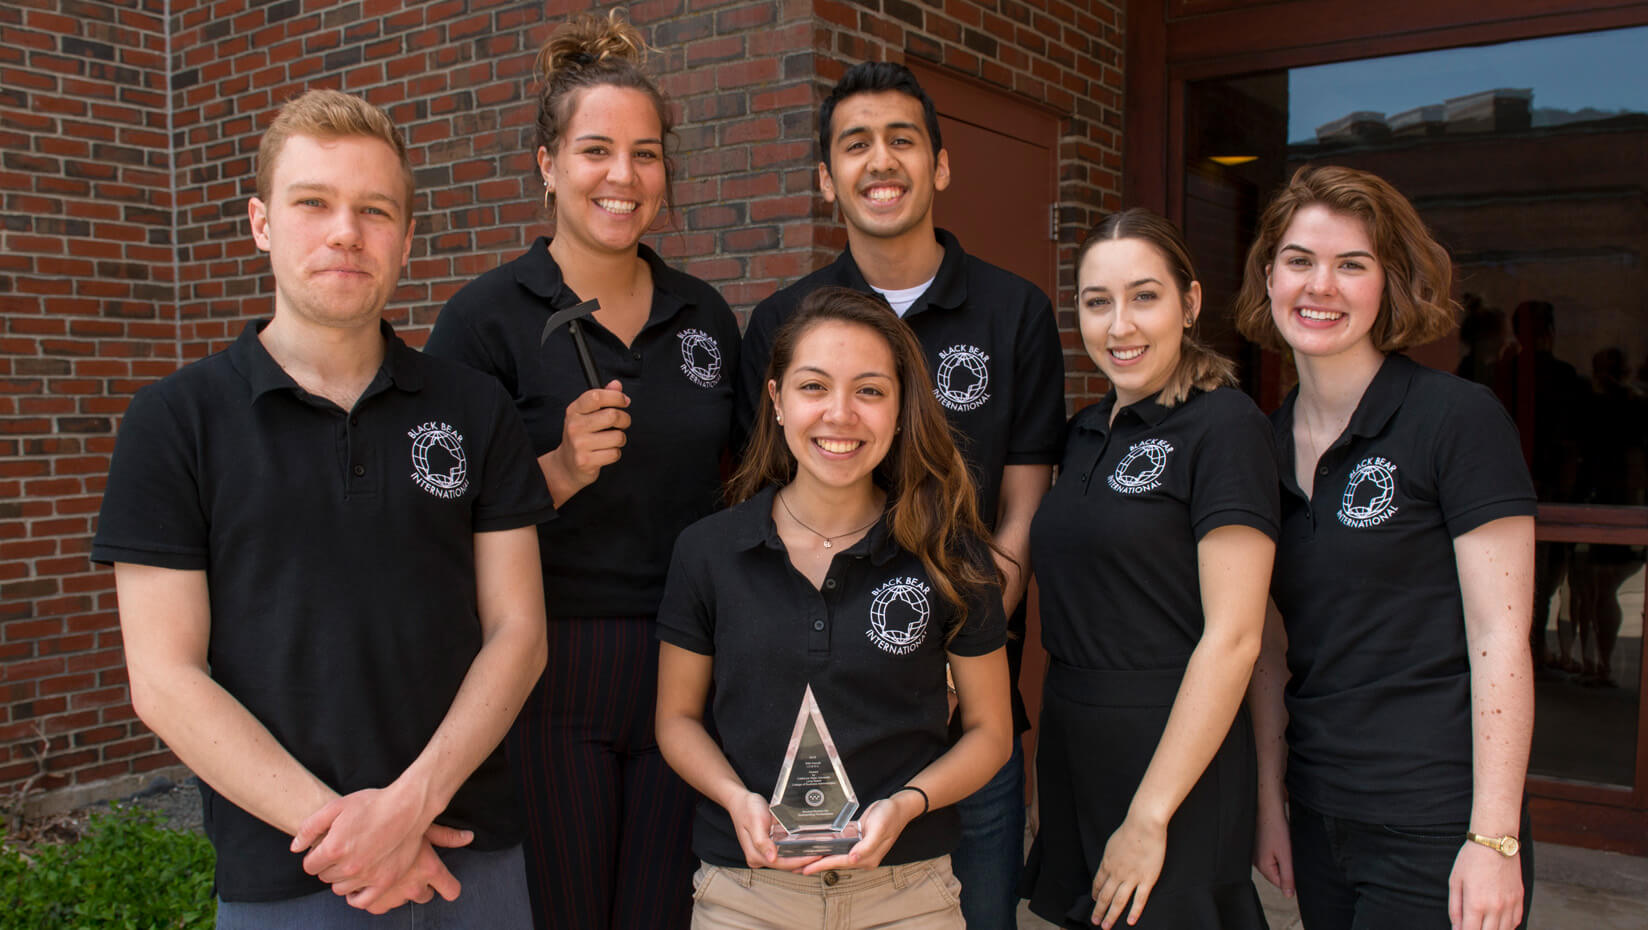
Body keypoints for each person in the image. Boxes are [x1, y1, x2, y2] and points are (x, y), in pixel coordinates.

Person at [91, 89, 551, 927]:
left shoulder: (476, 409)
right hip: (292, 867)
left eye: (375, 210)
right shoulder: (175, 423)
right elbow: (164, 679)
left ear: (407, 239)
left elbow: (518, 634)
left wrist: (409, 808)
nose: (346, 231)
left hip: (470, 852)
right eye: (314, 203)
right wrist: (349, 837)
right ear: (262, 222)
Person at [422, 11, 739, 929]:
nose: (623, 177)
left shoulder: (705, 317)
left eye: (646, 154)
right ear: (548, 164)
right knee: (564, 911)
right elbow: (437, 517)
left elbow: (749, 487)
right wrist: (554, 471)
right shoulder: (486, 320)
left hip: (689, 658)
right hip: (548, 665)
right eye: (596, 150)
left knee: (660, 912)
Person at [736, 62, 1065, 927]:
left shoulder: (1015, 312)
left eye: (902, 140)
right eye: (855, 145)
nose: (880, 162)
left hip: (970, 715)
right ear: (825, 179)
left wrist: (966, 651)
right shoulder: (781, 321)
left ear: (941, 166)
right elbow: (771, 513)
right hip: (829, 712)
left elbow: (1025, 503)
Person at [1237, 165, 1536, 930]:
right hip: (1320, 811)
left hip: (1436, 820)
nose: (1321, 286)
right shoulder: (1258, 446)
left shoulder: (1456, 420)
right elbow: (1269, 648)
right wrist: (1273, 804)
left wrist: (1494, 837)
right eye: (1301, 260)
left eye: (1353, 265)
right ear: (1269, 275)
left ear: (1390, 284)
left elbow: (1500, 636)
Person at [657, 286, 1013, 927]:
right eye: (814, 387)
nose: (840, 414)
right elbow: (677, 719)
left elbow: (992, 731)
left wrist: (906, 804)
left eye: (870, 391)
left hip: (910, 896)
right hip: (744, 896)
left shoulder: (948, 553)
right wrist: (735, 799)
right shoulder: (707, 551)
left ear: (903, 409)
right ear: (776, 400)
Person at [1021, 209, 1277, 929]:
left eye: (1144, 296)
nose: (1119, 326)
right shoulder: (1080, 434)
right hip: (1077, 740)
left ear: (1189, 304)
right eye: (1097, 302)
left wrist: (1149, 815)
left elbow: (1235, 638)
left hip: (1173, 757)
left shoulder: (1224, 426)